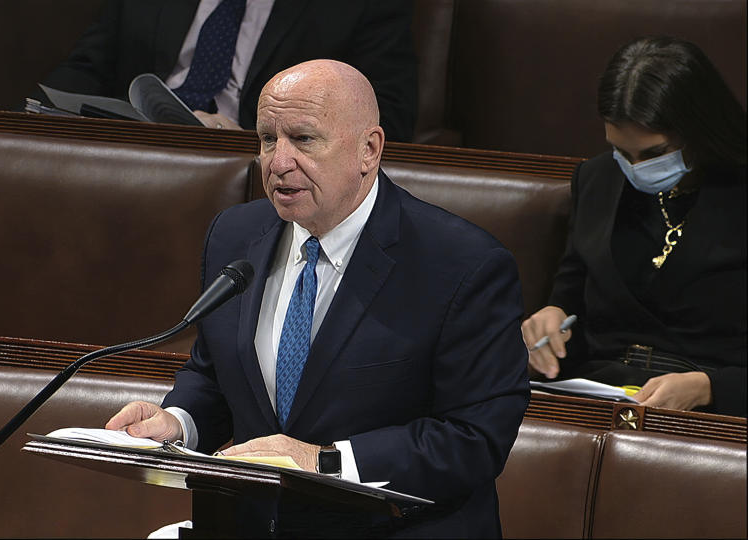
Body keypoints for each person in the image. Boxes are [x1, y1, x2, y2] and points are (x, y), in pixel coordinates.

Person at [107, 59, 530, 537]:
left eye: (303, 140)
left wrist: (322, 461)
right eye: (268, 139)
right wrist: (178, 423)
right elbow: (215, 375)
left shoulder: (462, 264)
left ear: (369, 149)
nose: (278, 162)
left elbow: (474, 439)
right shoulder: (234, 235)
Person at [523, 36, 747, 417]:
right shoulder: (598, 179)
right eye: (622, 152)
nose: (636, 168)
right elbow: (570, 294)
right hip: (597, 393)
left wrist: (711, 387)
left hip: (712, 409)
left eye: (654, 154)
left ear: (700, 129)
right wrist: (550, 321)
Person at [36, 0, 418, 142]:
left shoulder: (365, 6)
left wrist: (264, 137)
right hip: (131, 142)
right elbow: (86, 67)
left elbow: (386, 117)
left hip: (249, 160)